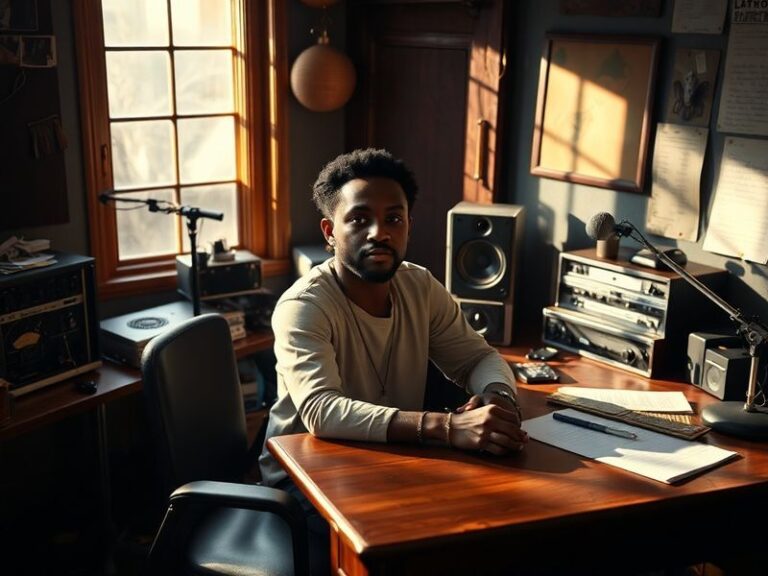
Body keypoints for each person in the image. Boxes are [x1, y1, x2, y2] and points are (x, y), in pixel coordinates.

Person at [258, 147, 527, 573]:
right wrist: (449, 427)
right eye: (360, 219)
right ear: (330, 231)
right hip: (304, 485)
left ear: (407, 227)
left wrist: (499, 398)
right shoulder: (303, 306)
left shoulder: (419, 285)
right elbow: (320, 412)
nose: (379, 232)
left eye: (393, 219)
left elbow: (478, 356)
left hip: (386, 463)